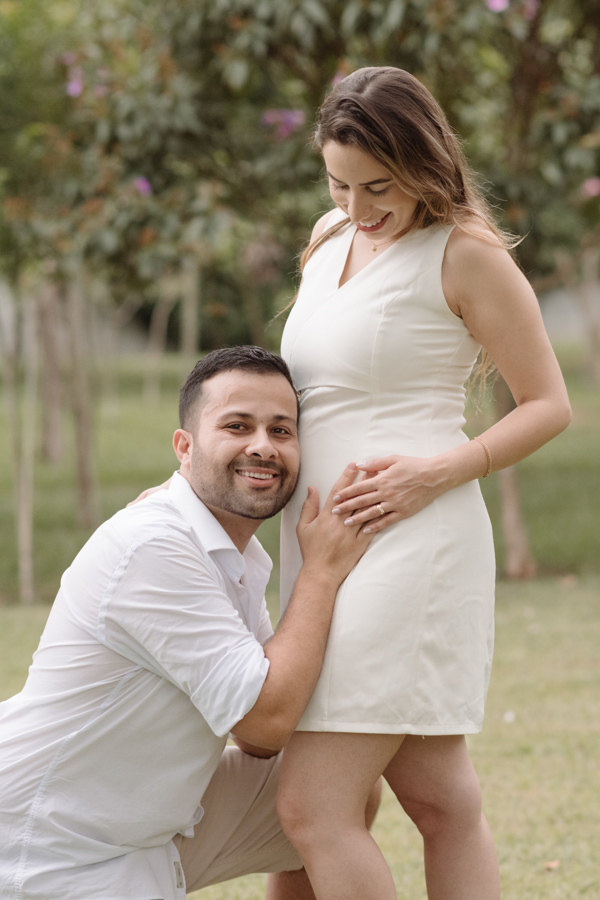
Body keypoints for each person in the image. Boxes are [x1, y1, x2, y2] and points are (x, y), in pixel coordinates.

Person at [275, 66, 572, 900]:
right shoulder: (329, 239)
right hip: (321, 548)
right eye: (339, 183)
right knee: (439, 800)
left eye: (379, 185)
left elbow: (549, 404)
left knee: (309, 805)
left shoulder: (465, 253)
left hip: (413, 543)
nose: (359, 206)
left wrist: (436, 472)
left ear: (423, 159)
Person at [0, 346, 376, 900]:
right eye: (237, 426)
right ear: (185, 446)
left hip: (137, 827)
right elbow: (266, 722)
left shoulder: (234, 556)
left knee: (332, 793)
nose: (262, 447)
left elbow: (260, 744)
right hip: (45, 846)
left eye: (281, 430)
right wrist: (320, 573)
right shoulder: (153, 546)